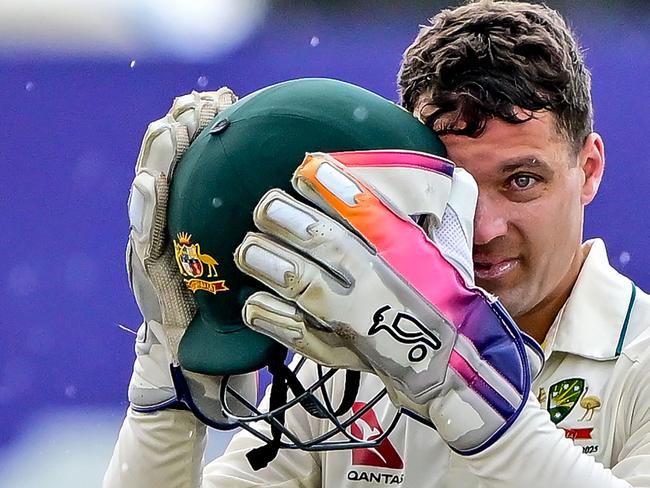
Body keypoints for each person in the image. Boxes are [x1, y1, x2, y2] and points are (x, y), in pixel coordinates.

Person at [104, 1, 650, 487]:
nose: (484, 229)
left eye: (522, 181)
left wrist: (474, 396)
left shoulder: (640, 358)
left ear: (589, 168)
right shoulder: (344, 360)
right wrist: (166, 384)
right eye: (453, 186)